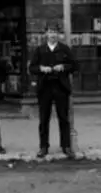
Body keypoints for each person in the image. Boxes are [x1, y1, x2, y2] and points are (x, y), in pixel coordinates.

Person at [28, 24, 75, 157]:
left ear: (58, 34)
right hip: (45, 87)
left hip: (60, 87)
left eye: (55, 32)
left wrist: (64, 66)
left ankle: (66, 146)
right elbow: (32, 68)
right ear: (46, 34)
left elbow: (74, 65)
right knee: (44, 119)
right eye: (50, 32)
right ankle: (43, 146)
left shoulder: (64, 49)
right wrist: (41, 69)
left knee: (63, 118)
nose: (53, 35)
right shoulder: (40, 50)